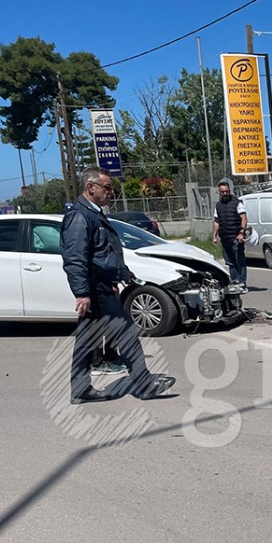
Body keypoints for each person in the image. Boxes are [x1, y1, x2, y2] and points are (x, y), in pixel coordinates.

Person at [61, 167, 176, 404]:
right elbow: (75, 258)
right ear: (91, 187)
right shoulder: (80, 216)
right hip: (95, 289)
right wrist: (82, 292)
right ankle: (143, 385)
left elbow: (104, 253)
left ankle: (80, 389)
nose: (112, 192)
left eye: (112, 187)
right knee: (126, 332)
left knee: (87, 340)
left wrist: (120, 275)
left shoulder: (93, 214)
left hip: (102, 285)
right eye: (108, 187)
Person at [212, 180, 248, 293]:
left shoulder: (237, 203)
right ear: (219, 192)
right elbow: (216, 221)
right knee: (230, 262)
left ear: (229, 191)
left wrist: (241, 233)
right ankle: (234, 281)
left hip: (236, 238)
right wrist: (214, 236)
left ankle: (242, 282)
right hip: (225, 238)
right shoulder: (218, 206)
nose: (225, 194)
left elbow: (244, 218)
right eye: (222, 192)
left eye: (226, 191)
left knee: (239, 261)